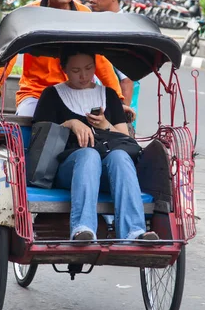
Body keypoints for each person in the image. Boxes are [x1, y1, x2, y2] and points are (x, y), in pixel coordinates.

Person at [33, 46, 158, 243]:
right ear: (64, 69)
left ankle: (134, 231)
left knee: (120, 156)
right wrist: (70, 124)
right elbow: (39, 137)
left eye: (88, 68)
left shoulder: (108, 95)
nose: (83, 76)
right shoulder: (52, 95)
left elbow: (126, 140)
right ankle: (83, 229)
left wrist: (105, 125)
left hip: (108, 170)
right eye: (76, 71)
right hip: (68, 170)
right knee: (88, 154)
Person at [0, 0, 126, 116]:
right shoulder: (27, 15)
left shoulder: (85, 15)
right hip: (36, 94)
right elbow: (7, 56)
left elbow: (101, 61)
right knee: (29, 128)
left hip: (76, 91)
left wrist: (118, 99)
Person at [89, 0, 140, 116]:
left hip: (115, 113)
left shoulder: (122, 29)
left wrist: (121, 121)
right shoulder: (95, 23)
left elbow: (127, 81)